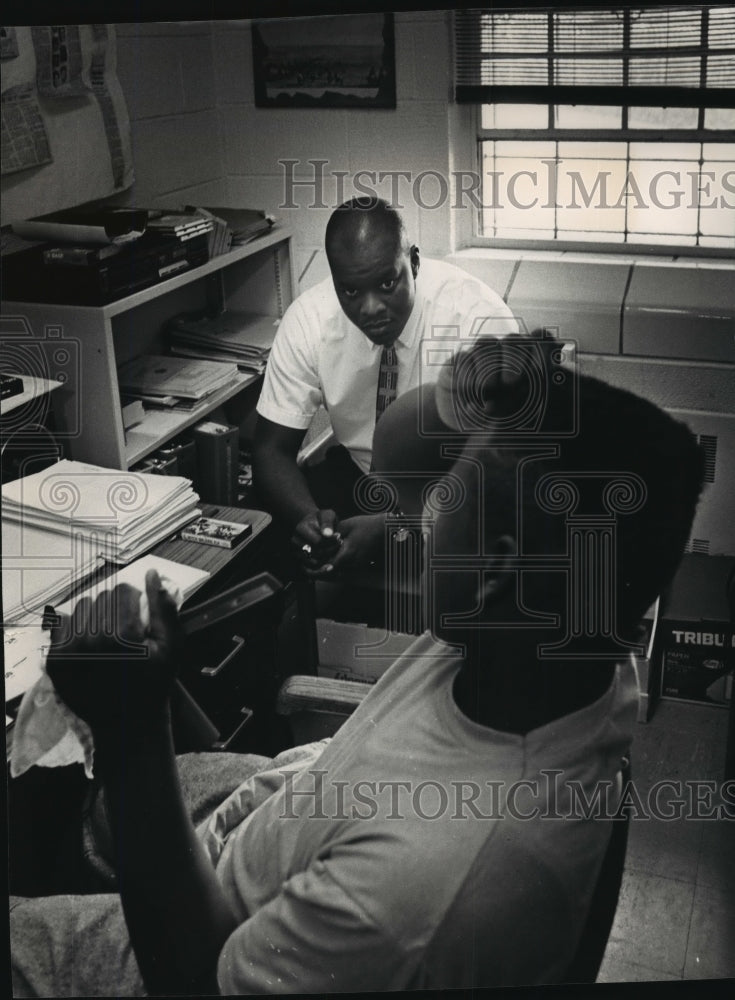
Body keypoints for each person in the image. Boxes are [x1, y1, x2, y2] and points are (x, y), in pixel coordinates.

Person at [9, 338, 705, 996]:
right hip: (290, 812)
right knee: (81, 807)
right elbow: (428, 455)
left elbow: (191, 981)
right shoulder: (558, 647)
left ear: (493, 568)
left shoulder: (425, 886)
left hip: (202, 948)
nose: (421, 522)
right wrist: (409, 523)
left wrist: (133, 728)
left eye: (441, 503)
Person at [252, 196, 518, 577]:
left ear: (414, 262)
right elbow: (271, 450)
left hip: (453, 487)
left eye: (387, 283)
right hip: (363, 474)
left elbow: (502, 471)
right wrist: (308, 520)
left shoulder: (478, 324)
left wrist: (397, 528)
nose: (371, 308)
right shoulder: (310, 320)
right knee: (272, 546)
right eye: (351, 292)